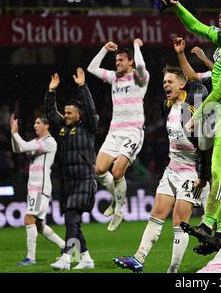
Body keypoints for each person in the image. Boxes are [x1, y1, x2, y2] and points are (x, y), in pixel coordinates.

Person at [167, 0, 221, 246]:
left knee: (217, 171)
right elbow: (196, 26)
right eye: (220, 15)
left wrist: (197, 115)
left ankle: (207, 223)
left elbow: (218, 91)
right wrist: (177, 5)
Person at [112, 66, 210, 273]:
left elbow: (205, 146)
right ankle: (138, 259)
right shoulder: (167, 105)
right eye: (164, 82)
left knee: (179, 221)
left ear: (182, 84)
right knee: (156, 214)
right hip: (172, 168)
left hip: (192, 171)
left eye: (170, 81)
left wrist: (203, 176)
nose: (166, 85)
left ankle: (173, 270)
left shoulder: (193, 109)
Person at [87, 38, 150, 231]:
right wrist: (104, 49)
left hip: (133, 132)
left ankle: (119, 210)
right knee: (98, 169)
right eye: (116, 61)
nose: (117, 63)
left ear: (130, 61)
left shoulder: (140, 77)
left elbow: (140, 64)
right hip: (114, 132)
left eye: (121, 60)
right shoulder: (114, 77)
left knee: (116, 172)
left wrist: (136, 46)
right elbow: (92, 68)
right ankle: (116, 200)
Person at [45, 68, 99, 270]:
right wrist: (51, 92)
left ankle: (66, 258)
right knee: (73, 222)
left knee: (71, 218)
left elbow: (91, 110)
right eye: (65, 112)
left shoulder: (89, 127)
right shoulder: (62, 128)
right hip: (69, 182)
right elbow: (51, 113)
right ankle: (86, 259)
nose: (65, 115)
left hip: (85, 179)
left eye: (69, 113)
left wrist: (82, 87)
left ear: (79, 115)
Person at [10, 115, 65, 266]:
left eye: (38, 122)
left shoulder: (49, 141)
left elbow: (24, 147)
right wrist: (12, 133)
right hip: (33, 187)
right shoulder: (37, 142)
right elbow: (18, 148)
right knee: (38, 224)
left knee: (28, 219)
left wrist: (15, 133)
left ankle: (30, 258)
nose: (35, 125)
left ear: (46, 126)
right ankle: (64, 246)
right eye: (34, 122)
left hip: (40, 187)